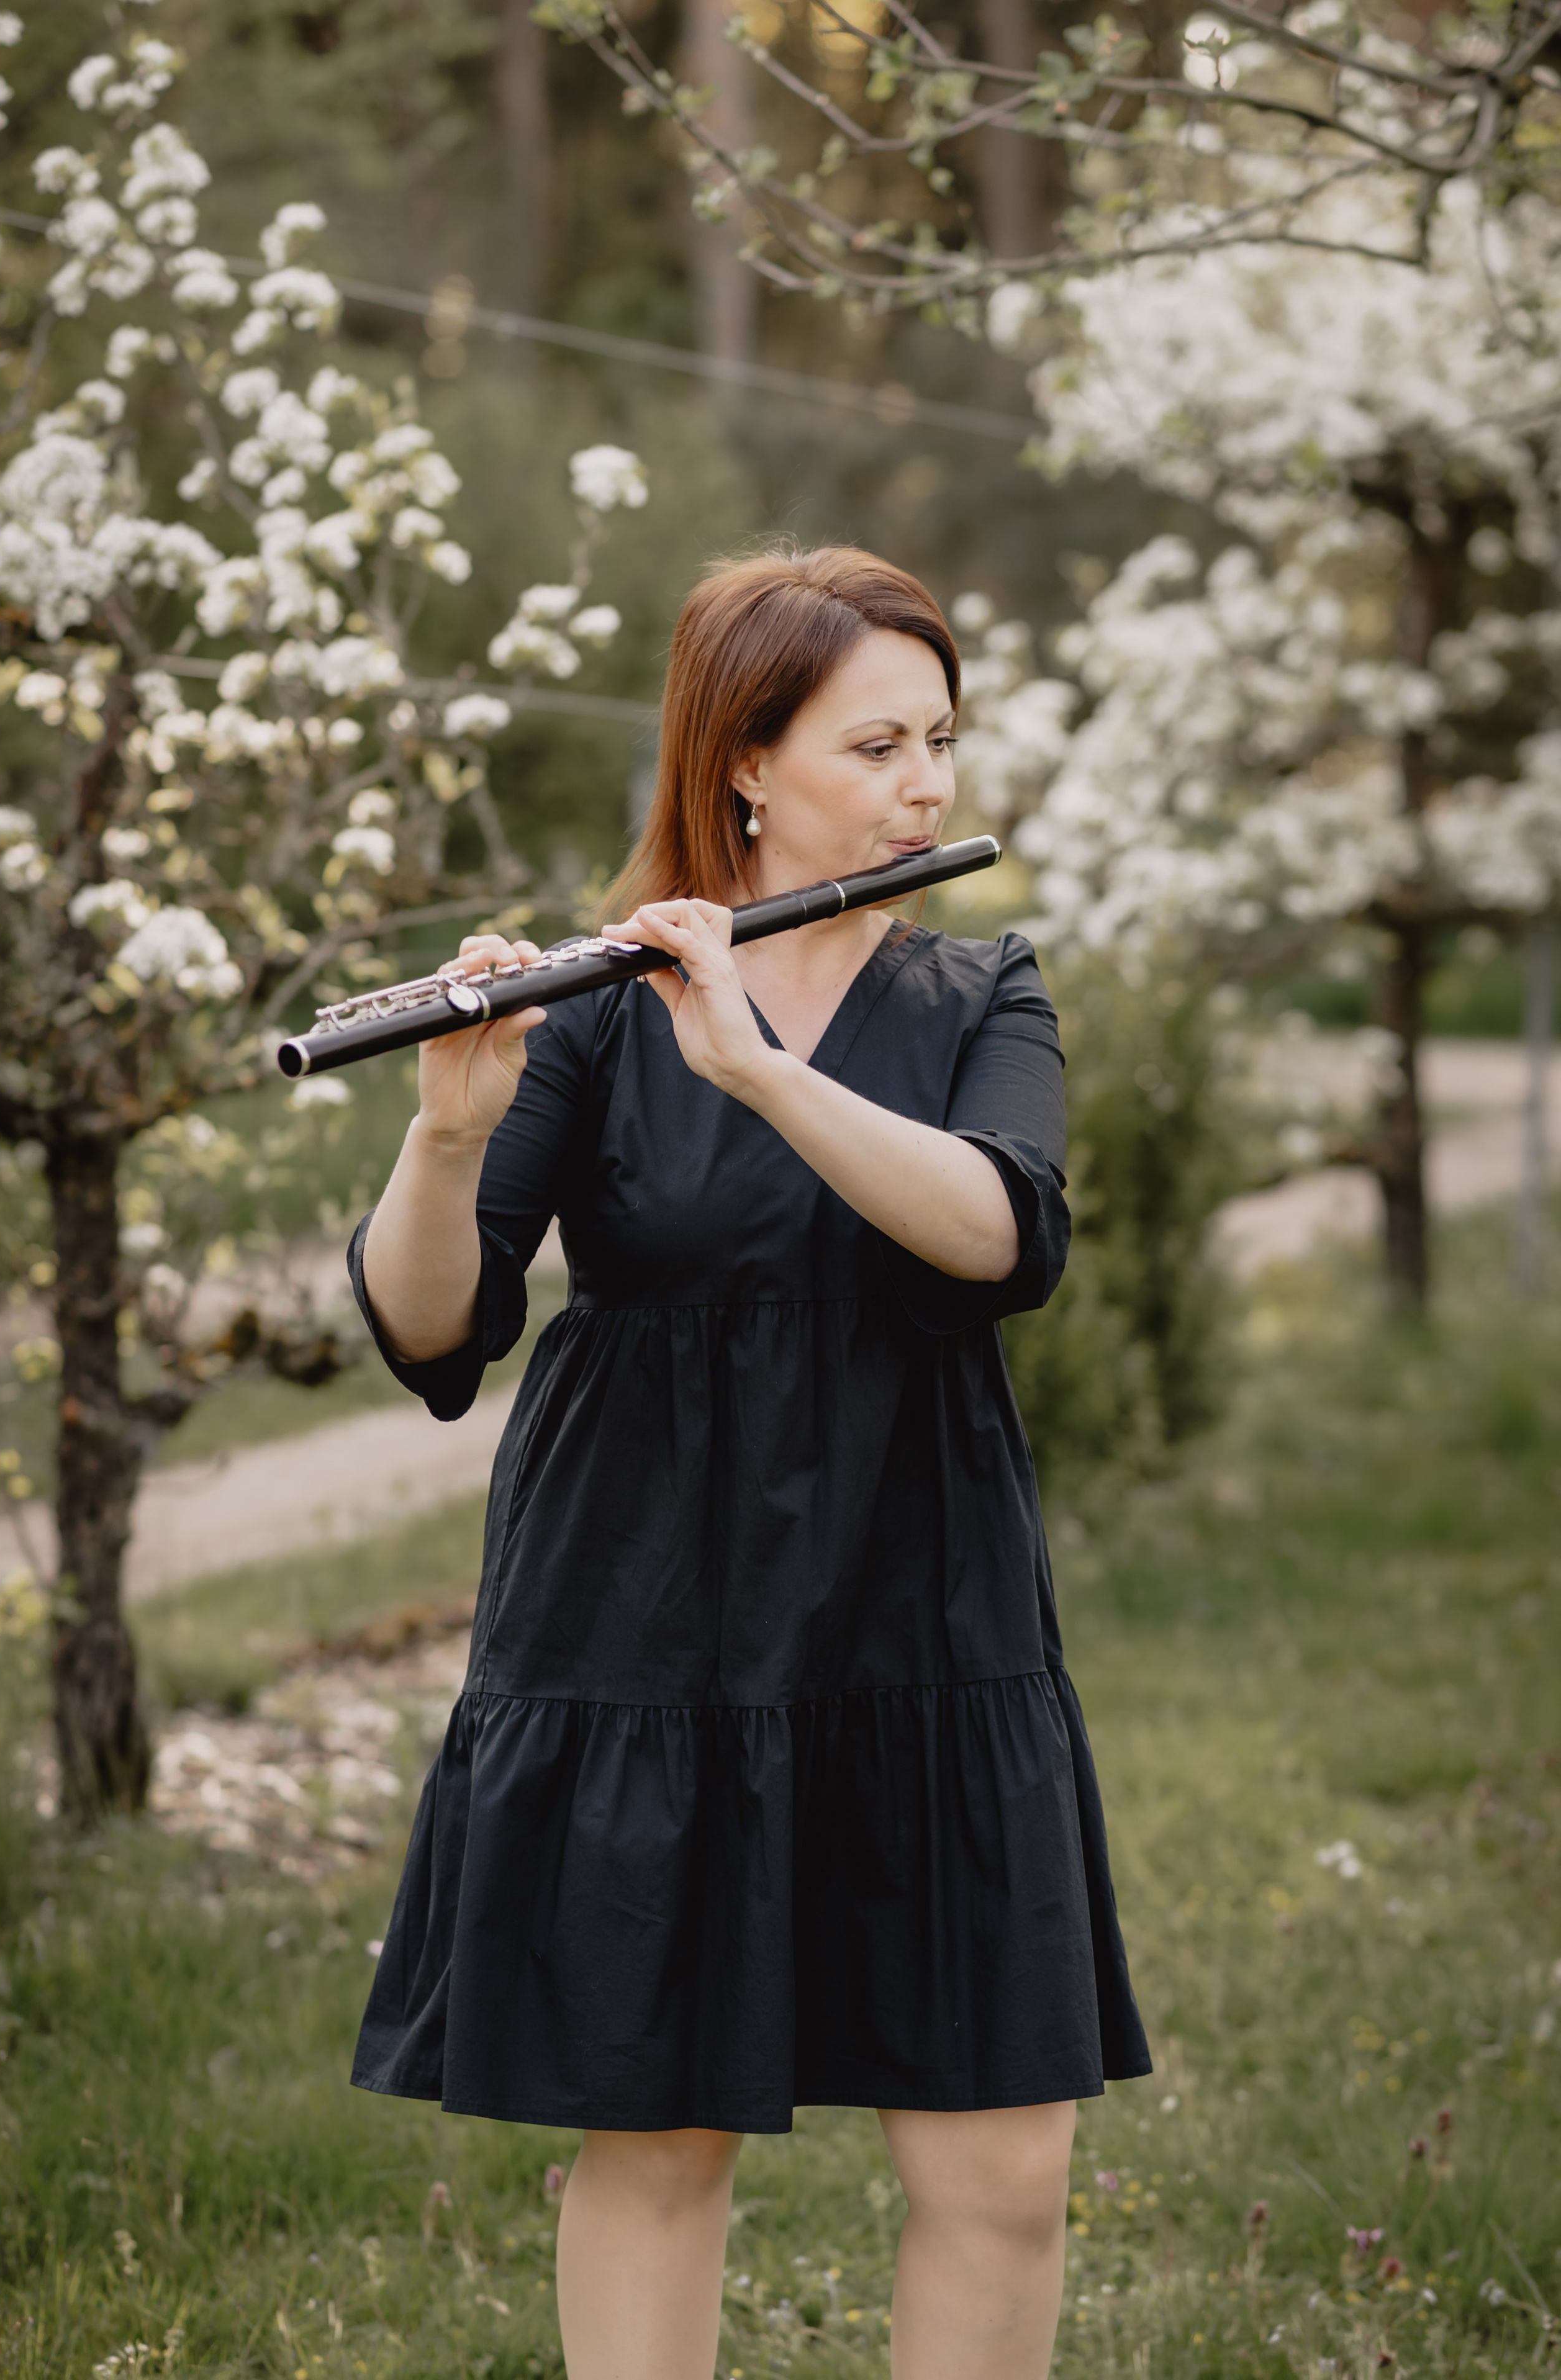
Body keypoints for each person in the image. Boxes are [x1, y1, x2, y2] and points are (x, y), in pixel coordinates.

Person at [349, 546, 1150, 2380]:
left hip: (921, 1610)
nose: (929, 785)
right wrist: (444, 1135)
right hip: (655, 1607)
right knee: (660, 2130)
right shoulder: (607, 996)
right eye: (879, 744)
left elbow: (999, 1236)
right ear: (747, 767)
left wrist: (768, 1068)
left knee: (1008, 2155)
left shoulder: (980, 989)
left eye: (940, 737)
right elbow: (432, 1328)